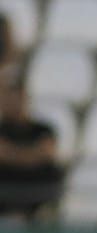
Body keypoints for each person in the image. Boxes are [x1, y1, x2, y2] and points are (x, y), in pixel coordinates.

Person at [0, 85, 62, 221]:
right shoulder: (2, 130)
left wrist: (12, 155)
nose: (14, 104)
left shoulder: (43, 129)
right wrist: (33, 154)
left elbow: (47, 153)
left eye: (17, 99)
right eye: (9, 100)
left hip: (40, 190)